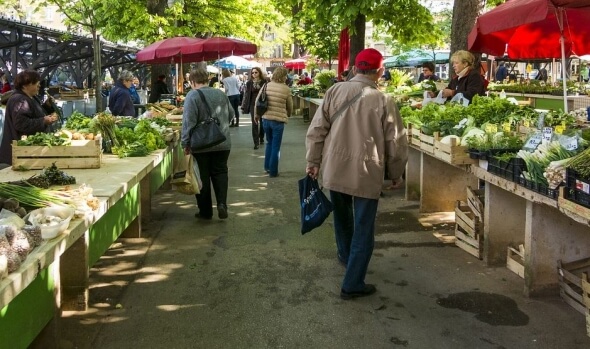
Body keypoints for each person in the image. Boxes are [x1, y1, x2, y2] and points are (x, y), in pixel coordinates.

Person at [305, 48, 408, 300]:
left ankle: (345, 255)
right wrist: (395, 173)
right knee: (364, 227)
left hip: (335, 168)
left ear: (354, 69)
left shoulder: (334, 91)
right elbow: (395, 142)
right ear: (380, 72)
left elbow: (317, 129)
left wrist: (313, 161)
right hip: (366, 172)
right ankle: (352, 283)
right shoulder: (384, 100)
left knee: (342, 218)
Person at [181, 68, 234, 220]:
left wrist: (185, 143)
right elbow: (230, 114)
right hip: (223, 141)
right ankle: (222, 204)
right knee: (220, 172)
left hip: (201, 144)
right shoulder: (220, 93)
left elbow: (188, 122)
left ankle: (205, 211)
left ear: (192, 82)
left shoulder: (192, 95)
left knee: (201, 176)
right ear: (207, 79)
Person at [0, 70, 59, 166]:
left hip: (26, 152)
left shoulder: (30, 97)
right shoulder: (20, 99)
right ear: (25, 85)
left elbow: (34, 113)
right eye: (36, 83)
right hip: (20, 153)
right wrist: (43, 121)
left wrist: (47, 106)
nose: (39, 85)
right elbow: (21, 124)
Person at [254, 66, 293, 178]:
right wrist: (288, 114)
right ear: (284, 76)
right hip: (278, 121)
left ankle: (267, 167)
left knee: (269, 143)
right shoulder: (286, 89)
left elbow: (257, 100)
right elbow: (290, 105)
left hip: (266, 119)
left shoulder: (267, 85)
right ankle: (273, 171)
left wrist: (257, 115)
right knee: (276, 146)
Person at [241, 66, 267, 149]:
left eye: (256, 72)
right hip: (253, 104)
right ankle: (256, 142)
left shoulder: (264, 82)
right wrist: (244, 105)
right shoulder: (249, 83)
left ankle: (261, 137)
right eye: (252, 73)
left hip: (262, 104)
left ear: (259, 73)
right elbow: (246, 94)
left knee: (262, 123)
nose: (254, 74)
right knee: (254, 122)